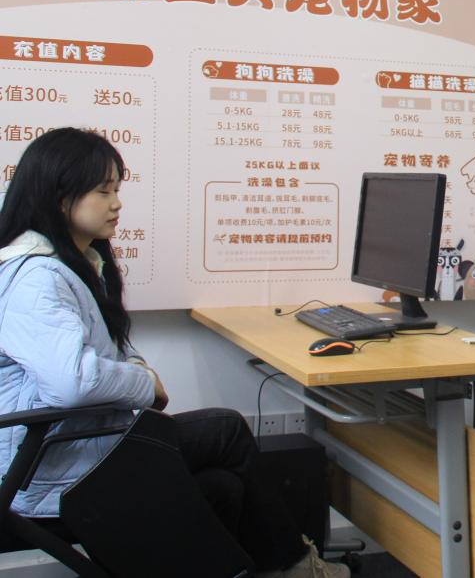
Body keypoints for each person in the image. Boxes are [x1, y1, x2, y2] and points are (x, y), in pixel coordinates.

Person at [0, 128, 349, 578]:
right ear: (59, 197)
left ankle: (276, 569)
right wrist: (145, 384)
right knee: (226, 429)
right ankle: (298, 568)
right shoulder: (37, 279)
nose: (117, 204)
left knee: (221, 487)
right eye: (103, 192)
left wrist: (136, 370)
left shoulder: (78, 265)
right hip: (52, 471)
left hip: (82, 450)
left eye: (117, 190)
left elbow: (112, 350)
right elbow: (73, 382)